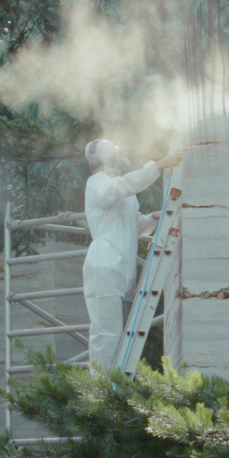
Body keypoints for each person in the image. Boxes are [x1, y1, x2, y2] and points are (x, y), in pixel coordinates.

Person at [82, 139, 183, 367]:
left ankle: (117, 383)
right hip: (104, 267)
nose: (119, 158)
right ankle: (102, 386)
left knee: (121, 340)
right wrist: (157, 166)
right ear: (106, 158)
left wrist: (152, 219)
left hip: (121, 269)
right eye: (114, 155)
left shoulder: (124, 193)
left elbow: (134, 227)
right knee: (106, 335)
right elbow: (120, 188)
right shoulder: (98, 183)